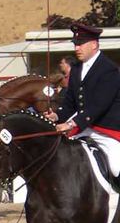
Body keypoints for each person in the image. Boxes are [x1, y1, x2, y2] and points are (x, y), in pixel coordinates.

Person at [45, 23, 120, 179]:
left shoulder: (109, 70)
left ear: (94, 44)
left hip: (107, 130)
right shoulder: (77, 69)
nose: (76, 48)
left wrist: (71, 124)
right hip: (84, 128)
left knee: (116, 167)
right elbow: (70, 103)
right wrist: (57, 116)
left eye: (80, 44)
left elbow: (99, 106)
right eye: (75, 44)